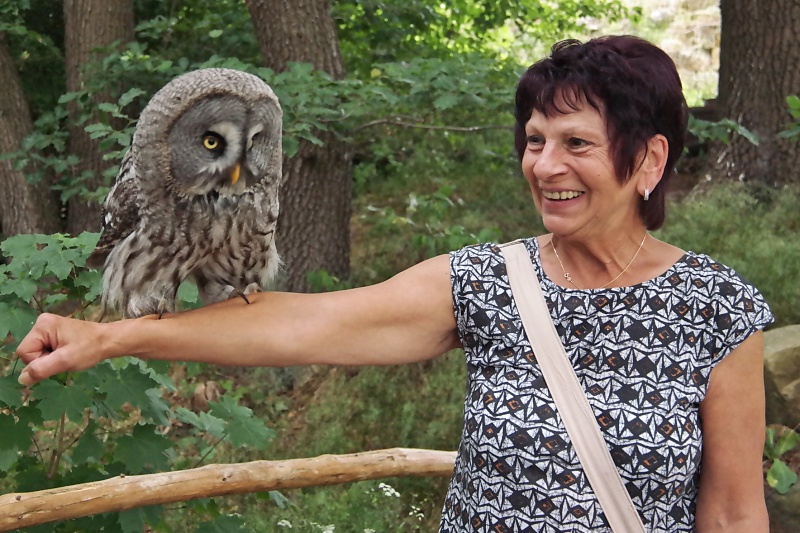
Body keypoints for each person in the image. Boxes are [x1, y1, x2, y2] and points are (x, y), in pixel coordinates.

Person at [16, 35, 771, 532]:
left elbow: (735, 513)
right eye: (535, 141)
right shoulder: (489, 279)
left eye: (577, 144)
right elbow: (302, 324)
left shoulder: (717, 306)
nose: (544, 166)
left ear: (648, 161)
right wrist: (110, 336)